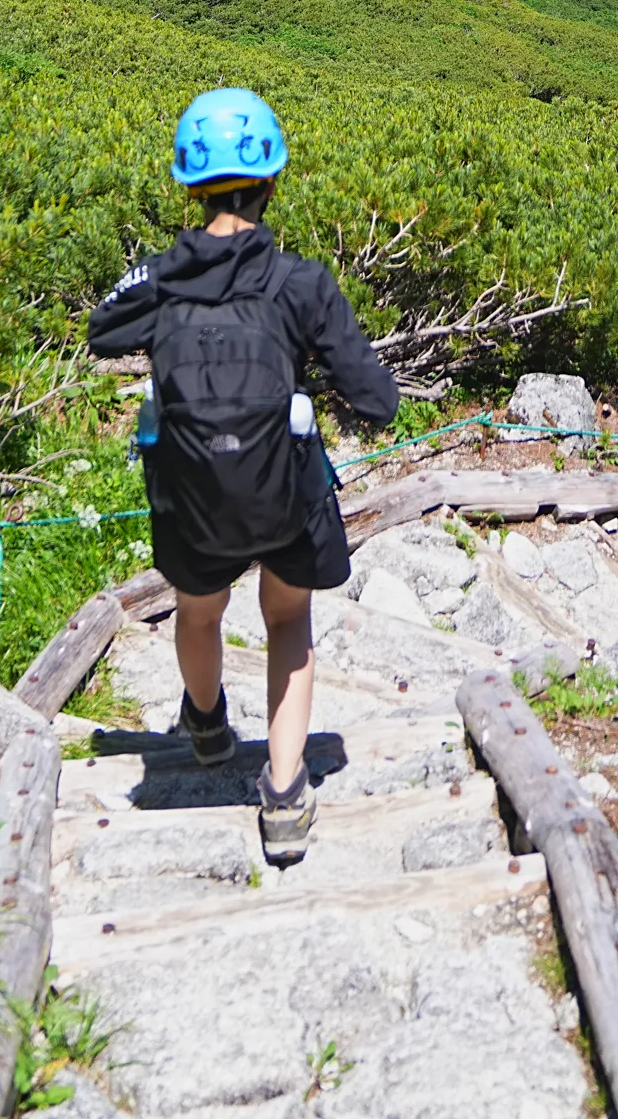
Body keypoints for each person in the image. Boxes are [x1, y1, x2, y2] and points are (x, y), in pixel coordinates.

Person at [86, 86, 398, 867]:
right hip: (283, 497)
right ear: (271, 179)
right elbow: (378, 401)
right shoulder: (301, 283)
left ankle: (204, 724)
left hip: (191, 499)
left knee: (199, 611)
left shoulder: (160, 280)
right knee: (287, 619)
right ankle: (286, 794)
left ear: (190, 184)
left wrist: (160, 276)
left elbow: (102, 330)